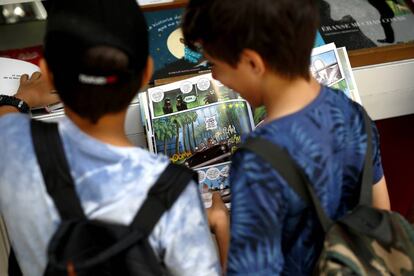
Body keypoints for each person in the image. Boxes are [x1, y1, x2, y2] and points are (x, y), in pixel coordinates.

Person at [0, 0, 220, 275]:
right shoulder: (174, 192)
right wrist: (220, 224)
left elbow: (5, 117)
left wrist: (20, 99)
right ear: (146, 73)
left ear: (48, 74)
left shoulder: (13, 148)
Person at [182, 0, 391, 275]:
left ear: (253, 63)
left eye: (214, 64)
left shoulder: (258, 160)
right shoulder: (353, 113)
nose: (215, 76)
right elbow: (382, 213)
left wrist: (221, 224)